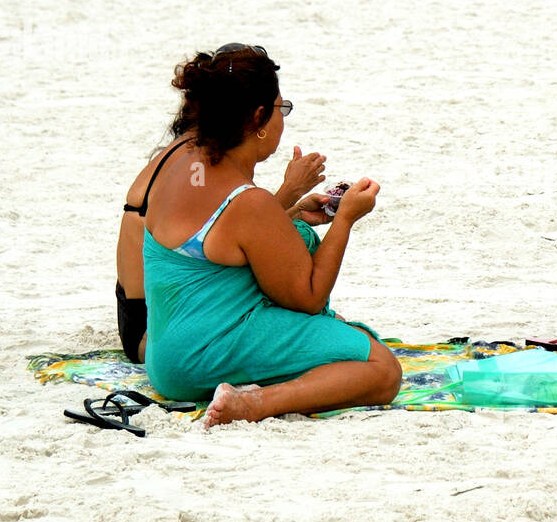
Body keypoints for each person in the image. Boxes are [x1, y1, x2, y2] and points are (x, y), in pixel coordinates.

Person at [140, 43, 401, 425]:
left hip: (165, 357)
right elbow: (309, 298)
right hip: (203, 356)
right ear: (259, 117)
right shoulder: (248, 202)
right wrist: (345, 220)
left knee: (333, 334)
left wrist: (290, 211)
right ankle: (254, 404)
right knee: (382, 369)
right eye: (282, 108)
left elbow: (221, 238)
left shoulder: (178, 161)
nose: (283, 117)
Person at [115, 101, 326, 363]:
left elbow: (216, 231)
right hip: (151, 332)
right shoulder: (197, 163)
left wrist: (293, 211)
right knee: (298, 244)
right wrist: (290, 190)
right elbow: (204, 230)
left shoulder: (188, 150)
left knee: (291, 236)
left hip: (149, 314)